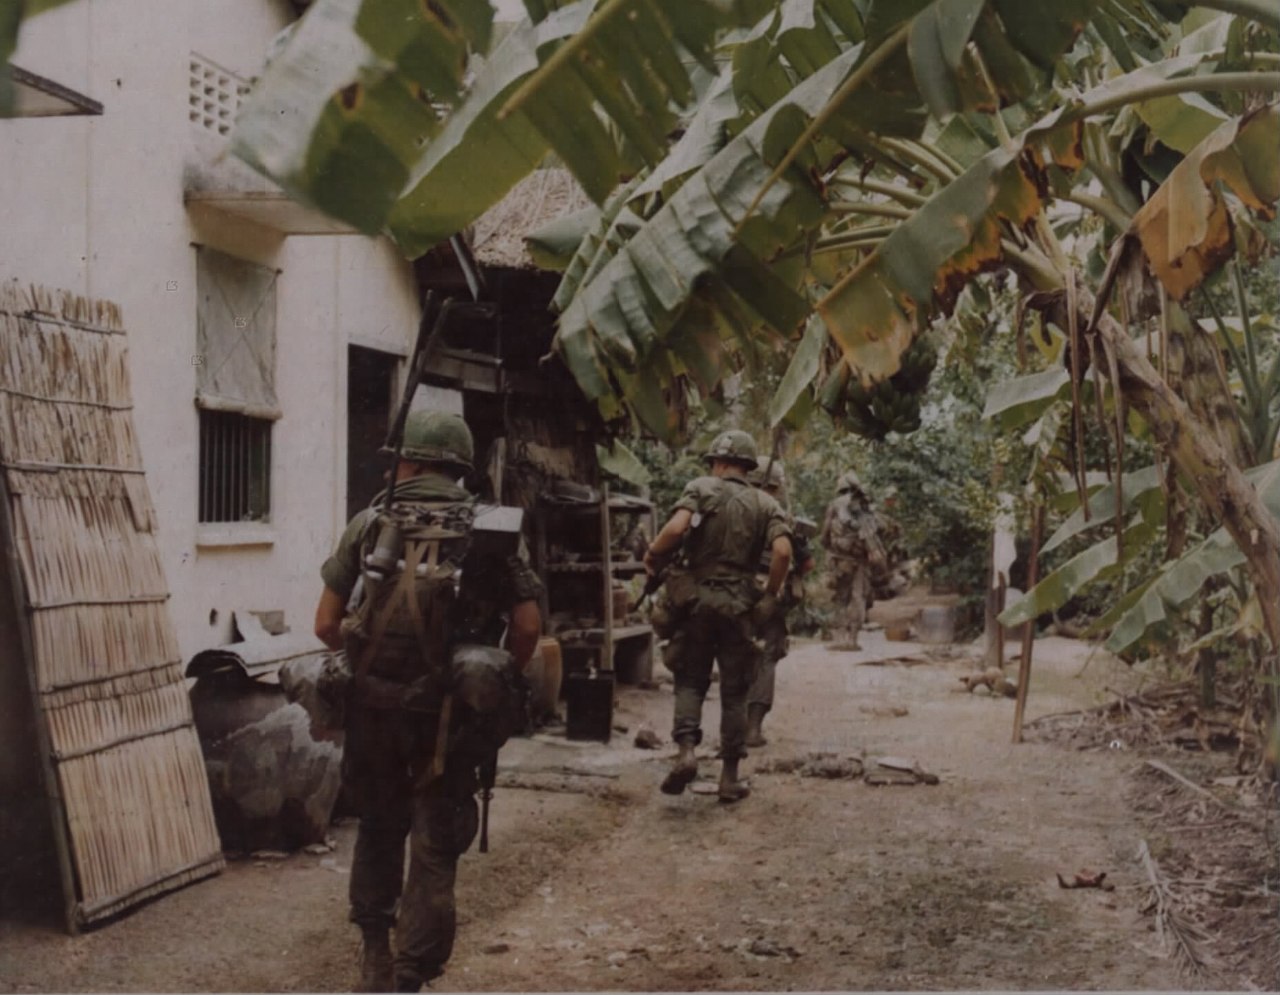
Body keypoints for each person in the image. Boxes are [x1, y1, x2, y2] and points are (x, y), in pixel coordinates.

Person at [313, 410, 542, 993]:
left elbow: (325, 624)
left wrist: (374, 665)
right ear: (461, 467)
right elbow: (527, 628)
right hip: (448, 716)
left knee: (378, 826)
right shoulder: (492, 525)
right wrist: (494, 682)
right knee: (435, 844)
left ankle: (374, 954)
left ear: (407, 460)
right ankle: (412, 974)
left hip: (373, 710)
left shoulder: (370, 521)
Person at [643, 430, 792, 802]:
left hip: (695, 602)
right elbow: (783, 553)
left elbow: (676, 529)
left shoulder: (700, 487)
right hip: (739, 606)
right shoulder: (765, 503)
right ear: (747, 466)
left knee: (690, 682)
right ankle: (729, 779)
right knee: (734, 692)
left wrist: (653, 554)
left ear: (719, 463)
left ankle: (686, 752)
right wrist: (770, 595)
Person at [744, 458, 814, 748]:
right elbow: (806, 564)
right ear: (776, 486)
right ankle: (752, 729)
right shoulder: (784, 520)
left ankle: (731, 730)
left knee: (732, 654)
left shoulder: (732, 510)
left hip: (733, 593)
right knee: (766, 657)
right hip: (769, 596)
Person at [819, 470, 885, 650]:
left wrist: (828, 547)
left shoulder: (834, 505)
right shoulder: (864, 505)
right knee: (858, 597)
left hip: (840, 559)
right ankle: (853, 640)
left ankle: (839, 640)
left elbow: (824, 535)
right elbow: (876, 530)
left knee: (841, 598)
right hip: (860, 560)